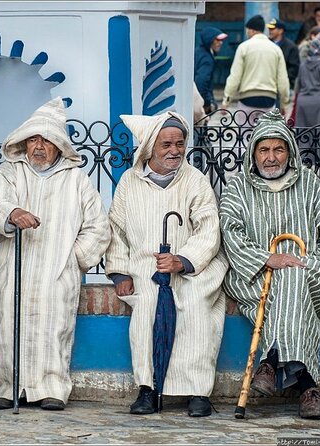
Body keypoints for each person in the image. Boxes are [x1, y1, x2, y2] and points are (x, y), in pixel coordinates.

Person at [219, 109, 320, 419]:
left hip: (311, 276)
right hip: (254, 278)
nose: (271, 157)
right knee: (288, 280)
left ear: (289, 152)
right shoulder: (238, 188)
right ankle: (306, 386)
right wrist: (268, 258)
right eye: (264, 149)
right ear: (253, 153)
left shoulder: (310, 184)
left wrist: (306, 262)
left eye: (278, 149)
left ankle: (270, 363)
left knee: (292, 276)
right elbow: (231, 236)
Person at [0, 97, 110, 411]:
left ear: (59, 145)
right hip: (13, 265)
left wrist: (72, 260)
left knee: (54, 329)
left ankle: (50, 388)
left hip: (56, 269)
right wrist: (13, 213)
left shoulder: (77, 181)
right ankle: (7, 387)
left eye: (46, 140)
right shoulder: (10, 172)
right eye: (33, 139)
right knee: (7, 325)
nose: (38, 146)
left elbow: (97, 227)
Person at [105, 112, 228, 417]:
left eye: (179, 143)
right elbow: (116, 231)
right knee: (146, 307)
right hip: (146, 267)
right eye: (166, 145)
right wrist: (120, 271)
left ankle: (197, 391)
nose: (175, 150)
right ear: (149, 149)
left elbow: (208, 229)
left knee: (196, 307)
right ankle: (148, 389)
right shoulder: (130, 183)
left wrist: (182, 260)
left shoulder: (195, 181)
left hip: (193, 267)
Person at [223, 15, 290, 123]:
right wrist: (284, 103)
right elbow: (283, 79)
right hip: (269, 99)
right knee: (266, 135)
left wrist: (227, 100)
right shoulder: (276, 49)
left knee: (244, 136)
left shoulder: (243, 47)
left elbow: (235, 76)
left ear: (251, 30)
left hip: (247, 98)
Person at [194, 26, 228, 114]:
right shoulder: (207, 59)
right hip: (200, 102)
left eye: (221, 40)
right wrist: (207, 102)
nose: (220, 43)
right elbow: (201, 81)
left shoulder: (198, 52)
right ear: (209, 40)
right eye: (217, 40)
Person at [267, 18, 300, 88]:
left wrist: (282, 80)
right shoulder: (265, 44)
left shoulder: (291, 47)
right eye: (269, 29)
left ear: (280, 31)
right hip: (267, 85)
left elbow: (294, 68)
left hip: (284, 86)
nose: (270, 31)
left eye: (272, 29)